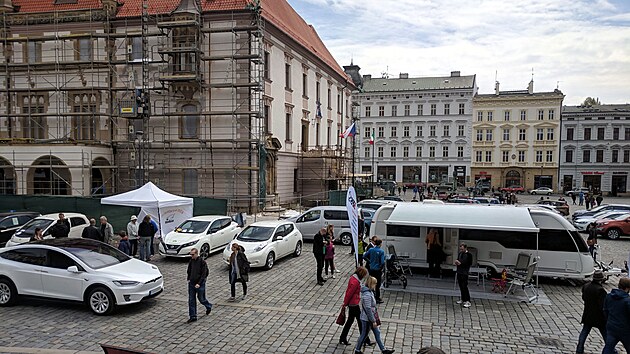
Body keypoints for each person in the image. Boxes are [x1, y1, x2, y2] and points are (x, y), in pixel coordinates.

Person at [354, 276, 394, 354]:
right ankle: (357, 350)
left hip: (369, 318)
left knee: (376, 333)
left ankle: (383, 350)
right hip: (367, 319)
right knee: (364, 335)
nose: (376, 285)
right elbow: (368, 309)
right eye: (375, 283)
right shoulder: (367, 295)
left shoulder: (369, 291)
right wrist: (373, 321)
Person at [576, 271, 607, 354]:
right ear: (601, 280)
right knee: (605, 334)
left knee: (584, 332)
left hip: (588, 313)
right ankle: (610, 349)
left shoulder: (586, 286)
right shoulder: (601, 290)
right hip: (599, 316)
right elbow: (603, 306)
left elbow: (584, 298)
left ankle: (579, 349)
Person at [340, 267, 373, 346]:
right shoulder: (356, 282)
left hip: (352, 304)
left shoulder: (353, 278)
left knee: (350, 321)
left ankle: (343, 337)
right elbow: (350, 293)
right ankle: (366, 339)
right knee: (360, 322)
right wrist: (345, 303)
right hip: (354, 304)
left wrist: (346, 303)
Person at [602, 278, 630, 353]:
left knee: (608, 347)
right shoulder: (627, 301)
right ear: (627, 288)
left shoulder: (609, 296)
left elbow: (605, 311)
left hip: (611, 327)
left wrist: (608, 321)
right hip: (625, 330)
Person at [186, 247, 213, 323]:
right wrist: (188, 278)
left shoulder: (202, 262)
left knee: (201, 298)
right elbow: (189, 270)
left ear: (196, 254)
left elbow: (204, 274)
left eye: (193, 254)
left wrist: (199, 283)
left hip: (199, 283)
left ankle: (208, 306)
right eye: (191, 254)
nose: (191, 256)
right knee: (191, 300)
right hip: (192, 283)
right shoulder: (191, 261)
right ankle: (193, 316)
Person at [363, 238, 385, 304]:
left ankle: (371, 295)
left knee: (371, 282)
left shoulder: (371, 249)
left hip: (371, 269)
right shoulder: (381, 251)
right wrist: (381, 267)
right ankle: (377, 297)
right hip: (377, 270)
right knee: (377, 284)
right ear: (380, 244)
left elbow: (364, 256)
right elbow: (382, 262)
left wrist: (370, 262)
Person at [455, 243, 473, 308]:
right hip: (459, 271)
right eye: (460, 249)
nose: (461, 250)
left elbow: (469, 263)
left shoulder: (469, 255)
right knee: (461, 286)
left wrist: (461, 263)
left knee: (464, 286)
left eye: (462, 249)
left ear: (465, 248)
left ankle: (468, 300)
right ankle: (463, 299)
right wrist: (457, 262)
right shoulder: (460, 254)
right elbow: (458, 260)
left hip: (464, 272)